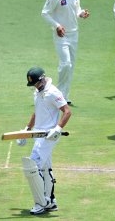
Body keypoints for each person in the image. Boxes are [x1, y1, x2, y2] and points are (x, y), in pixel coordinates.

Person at [16, 66, 71, 215]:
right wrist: (27, 130)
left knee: (32, 166)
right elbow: (37, 112)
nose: (35, 86)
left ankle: (41, 203)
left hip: (48, 136)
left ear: (42, 79)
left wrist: (58, 128)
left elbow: (67, 111)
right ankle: (51, 201)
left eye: (36, 83)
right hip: (38, 134)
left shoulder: (53, 92)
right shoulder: (38, 92)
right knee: (45, 168)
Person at [41, 0, 90, 105]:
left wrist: (82, 13)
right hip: (61, 35)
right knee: (66, 64)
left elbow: (77, 10)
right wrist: (57, 26)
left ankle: (65, 96)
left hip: (74, 34)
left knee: (71, 66)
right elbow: (45, 13)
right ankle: (59, 94)